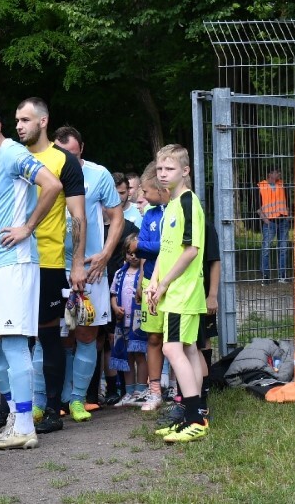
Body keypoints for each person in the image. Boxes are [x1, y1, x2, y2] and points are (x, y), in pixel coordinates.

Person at [0, 96, 62, 450]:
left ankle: (24, 427)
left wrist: (27, 227)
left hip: (17, 264)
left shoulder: (13, 154)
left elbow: (52, 185)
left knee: (15, 345)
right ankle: (16, 416)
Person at [12, 98, 86, 435]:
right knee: (13, 338)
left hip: (48, 261)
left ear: (44, 121)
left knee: (47, 336)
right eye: (16, 120)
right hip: (12, 261)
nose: (19, 126)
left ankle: (54, 409)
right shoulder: (13, 156)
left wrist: (79, 262)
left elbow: (78, 216)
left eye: (26, 119)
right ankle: (17, 410)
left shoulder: (64, 161)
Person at [54, 125, 123, 420]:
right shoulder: (45, 174)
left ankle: (79, 399)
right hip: (54, 266)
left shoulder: (99, 175)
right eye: (60, 154)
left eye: (71, 153)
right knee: (59, 336)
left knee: (86, 333)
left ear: (81, 149)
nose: (66, 160)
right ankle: (60, 396)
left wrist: (105, 255)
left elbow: (116, 217)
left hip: (91, 269)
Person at [145, 144, 208, 442]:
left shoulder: (187, 202)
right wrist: (155, 282)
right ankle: (191, 416)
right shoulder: (169, 204)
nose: (163, 174)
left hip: (183, 291)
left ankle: (195, 418)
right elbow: (165, 251)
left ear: (185, 171)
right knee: (188, 349)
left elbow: (191, 251)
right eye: (159, 169)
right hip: (172, 290)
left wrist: (167, 283)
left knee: (172, 349)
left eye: (169, 169)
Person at [134, 162, 170, 411]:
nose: (143, 197)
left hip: (176, 283)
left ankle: (180, 390)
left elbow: (178, 246)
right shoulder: (150, 215)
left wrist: (157, 245)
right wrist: (163, 244)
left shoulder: (179, 210)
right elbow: (140, 247)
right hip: (150, 282)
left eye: (146, 191)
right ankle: (155, 390)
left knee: (179, 340)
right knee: (154, 337)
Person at [110, 234, 148, 406]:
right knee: (126, 357)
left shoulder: (144, 274)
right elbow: (112, 294)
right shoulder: (119, 273)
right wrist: (115, 308)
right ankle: (129, 391)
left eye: (136, 253)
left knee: (139, 355)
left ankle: (141, 390)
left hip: (138, 322)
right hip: (122, 322)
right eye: (129, 253)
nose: (133, 256)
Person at [258, 168, 290, 283]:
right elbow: (258, 206)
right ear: (270, 174)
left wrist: (287, 216)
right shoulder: (261, 186)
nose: (279, 174)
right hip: (269, 222)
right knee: (266, 248)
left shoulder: (282, 185)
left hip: (282, 221)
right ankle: (265, 276)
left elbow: (287, 202)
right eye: (277, 172)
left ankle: (282, 276)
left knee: (283, 249)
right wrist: (265, 220)